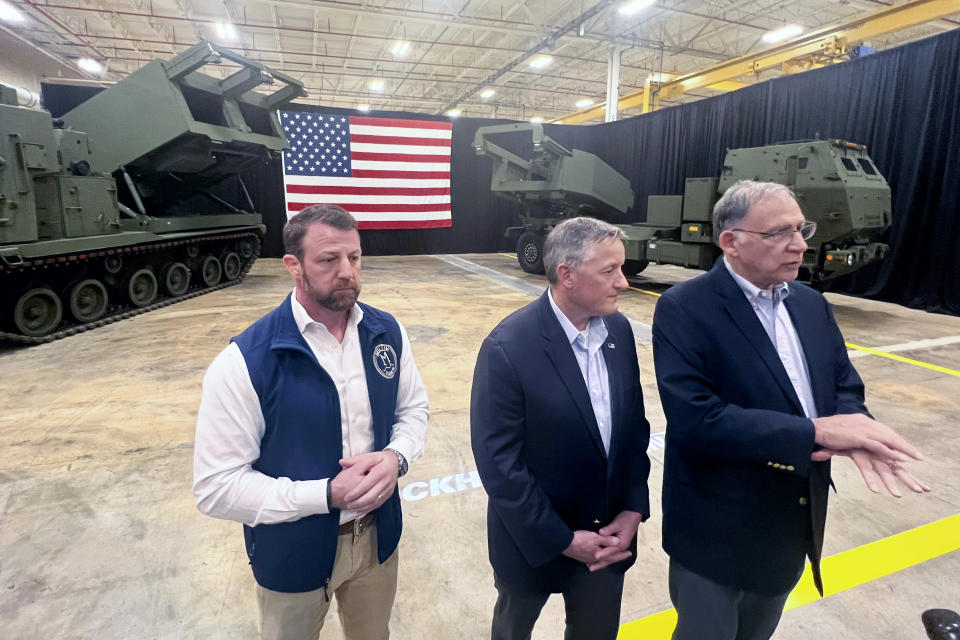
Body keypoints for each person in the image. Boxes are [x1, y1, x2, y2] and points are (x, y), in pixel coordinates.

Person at [652, 180, 929, 640]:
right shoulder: (685, 308)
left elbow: (843, 384)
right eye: (780, 232)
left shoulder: (810, 303)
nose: (800, 244)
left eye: (802, 229)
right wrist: (816, 433)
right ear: (730, 241)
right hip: (717, 530)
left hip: (792, 522)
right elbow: (697, 419)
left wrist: (855, 425)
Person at [192, 204, 429, 640]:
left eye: (354, 258)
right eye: (328, 260)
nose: (346, 272)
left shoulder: (386, 332)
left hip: (378, 540)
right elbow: (215, 487)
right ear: (293, 266)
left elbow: (413, 411)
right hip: (292, 552)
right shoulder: (246, 361)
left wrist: (396, 457)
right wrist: (325, 495)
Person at [470, 217, 652, 640]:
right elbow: (500, 465)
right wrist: (563, 539)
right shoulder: (508, 347)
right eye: (610, 271)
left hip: (608, 538)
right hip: (531, 542)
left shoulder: (619, 332)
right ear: (567, 275)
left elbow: (633, 430)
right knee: (514, 628)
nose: (623, 283)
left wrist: (632, 509)